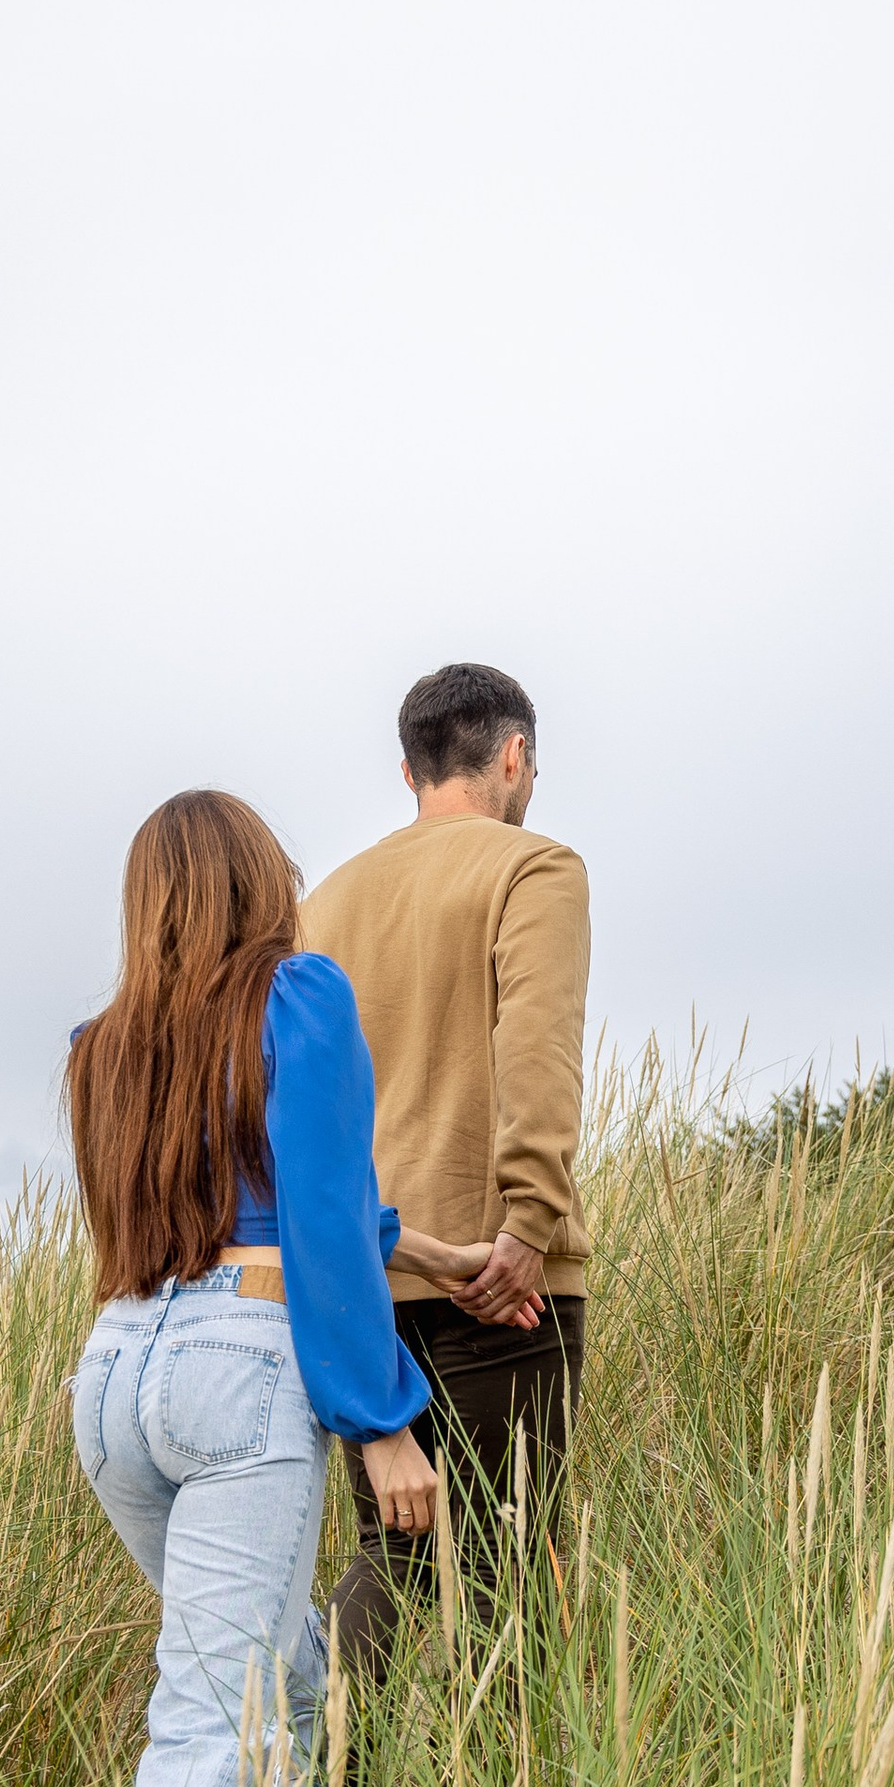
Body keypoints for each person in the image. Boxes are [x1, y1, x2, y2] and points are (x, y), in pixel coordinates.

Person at [48, 787, 494, 1787]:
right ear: (259, 882)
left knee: (277, 1678)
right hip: (242, 1375)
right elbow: (302, 1211)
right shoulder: (300, 997)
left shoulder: (100, 1048)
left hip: (118, 1375)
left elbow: (252, 1203)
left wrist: (428, 1251)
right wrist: (383, 1420)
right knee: (211, 1714)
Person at [301, 662, 591, 1678]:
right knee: (503, 1568)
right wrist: (530, 1221)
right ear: (514, 757)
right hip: (495, 1281)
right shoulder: (533, 867)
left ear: (408, 769)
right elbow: (539, 1050)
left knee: (394, 1553)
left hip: (361, 1282)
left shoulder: (325, 903)